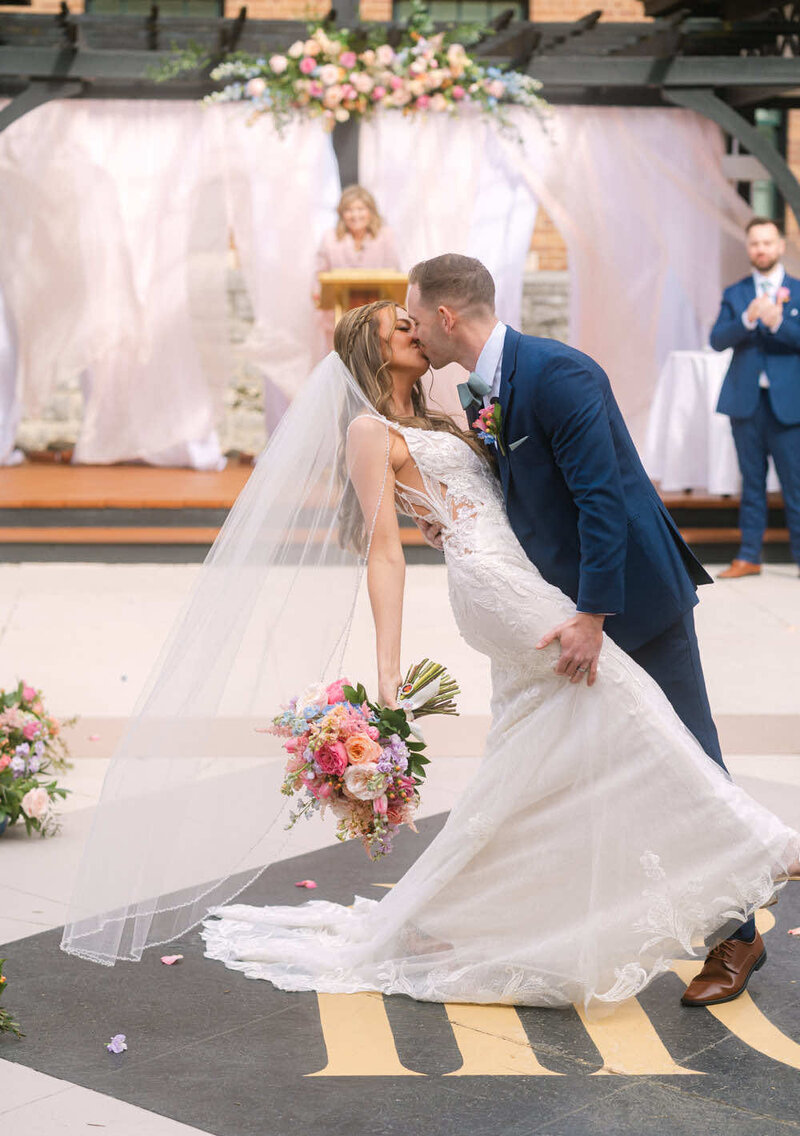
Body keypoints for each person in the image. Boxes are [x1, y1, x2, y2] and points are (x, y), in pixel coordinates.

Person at [199, 297, 798, 1012]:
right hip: (499, 590)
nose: (414, 331)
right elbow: (381, 551)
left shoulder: (447, 413)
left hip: (535, 574)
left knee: (532, 759)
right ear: (374, 348)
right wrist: (388, 670)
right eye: (401, 326)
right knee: (629, 705)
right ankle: (774, 850)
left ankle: (450, 914)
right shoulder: (368, 428)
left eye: (415, 319)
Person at [710, 216, 800, 579]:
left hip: (789, 403)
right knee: (751, 482)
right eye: (754, 243)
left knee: (796, 484)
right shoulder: (736, 293)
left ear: (780, 246)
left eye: (767, 242)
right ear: (748, 249)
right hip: (745, 402)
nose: (761, 249)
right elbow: (718, 340)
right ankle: (749, 556)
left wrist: (778, 323)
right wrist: (747, 320)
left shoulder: (798, 290)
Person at [314, 186, 401, 351]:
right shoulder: (329, 238)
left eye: (360, 209)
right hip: (339, 316)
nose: (355, 215)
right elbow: (319, 275)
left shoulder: (386, 236)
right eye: (349, 210)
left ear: (371, 211)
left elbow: (394, 272)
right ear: (341, 214)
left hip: (376, 315)